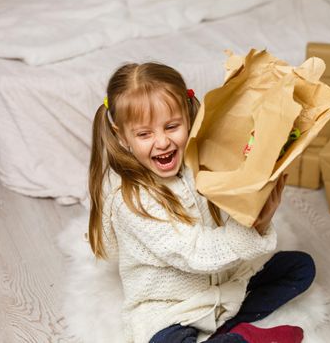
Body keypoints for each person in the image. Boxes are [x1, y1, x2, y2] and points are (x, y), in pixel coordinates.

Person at [88, 62, 316, 343]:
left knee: (300, 268)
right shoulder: (130, 199)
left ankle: (226, 328)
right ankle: (239, 338)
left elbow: (229, 213)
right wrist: (253, 229)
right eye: (144, 134)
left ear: (188, 116)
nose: (161, 142)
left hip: (224, 284)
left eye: (171, 126)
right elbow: (194, 253)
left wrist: (256, 203)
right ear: (121, 135)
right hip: (172, 308)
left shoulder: (200, 161)